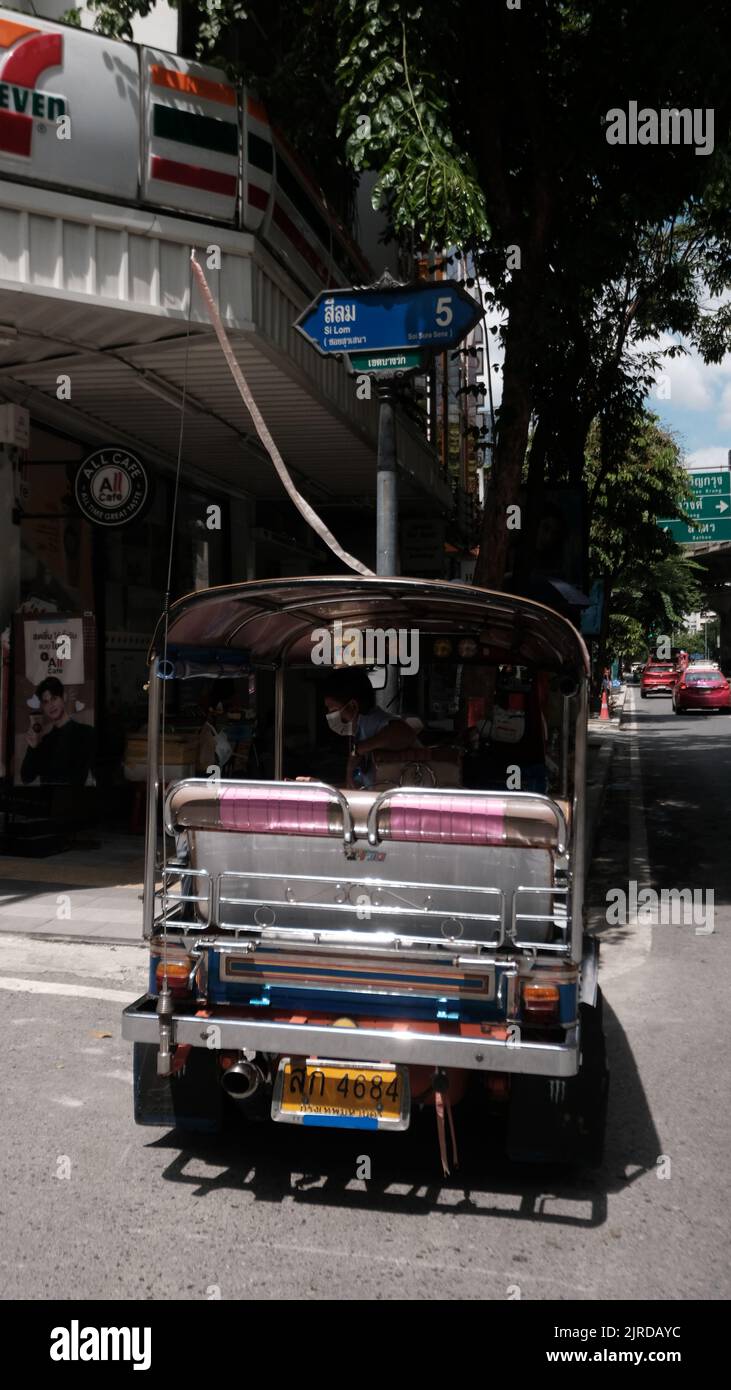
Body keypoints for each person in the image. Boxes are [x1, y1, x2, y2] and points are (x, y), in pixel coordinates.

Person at [322, 668, 417, 789]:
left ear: (353, 706)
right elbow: (357, 785)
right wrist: (320, 786)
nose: (331, 716)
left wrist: (360, 748)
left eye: (334, 710)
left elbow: (406, 734)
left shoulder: (373, 722)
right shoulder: (360, 731)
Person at [21, 676, 95, 786]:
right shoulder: (43, 741)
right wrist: (32, 748)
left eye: (54, 698)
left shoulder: (87, 733)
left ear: (64, 697)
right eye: (46, 702)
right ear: (43, 707)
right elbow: (26, 778)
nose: (51, 705)